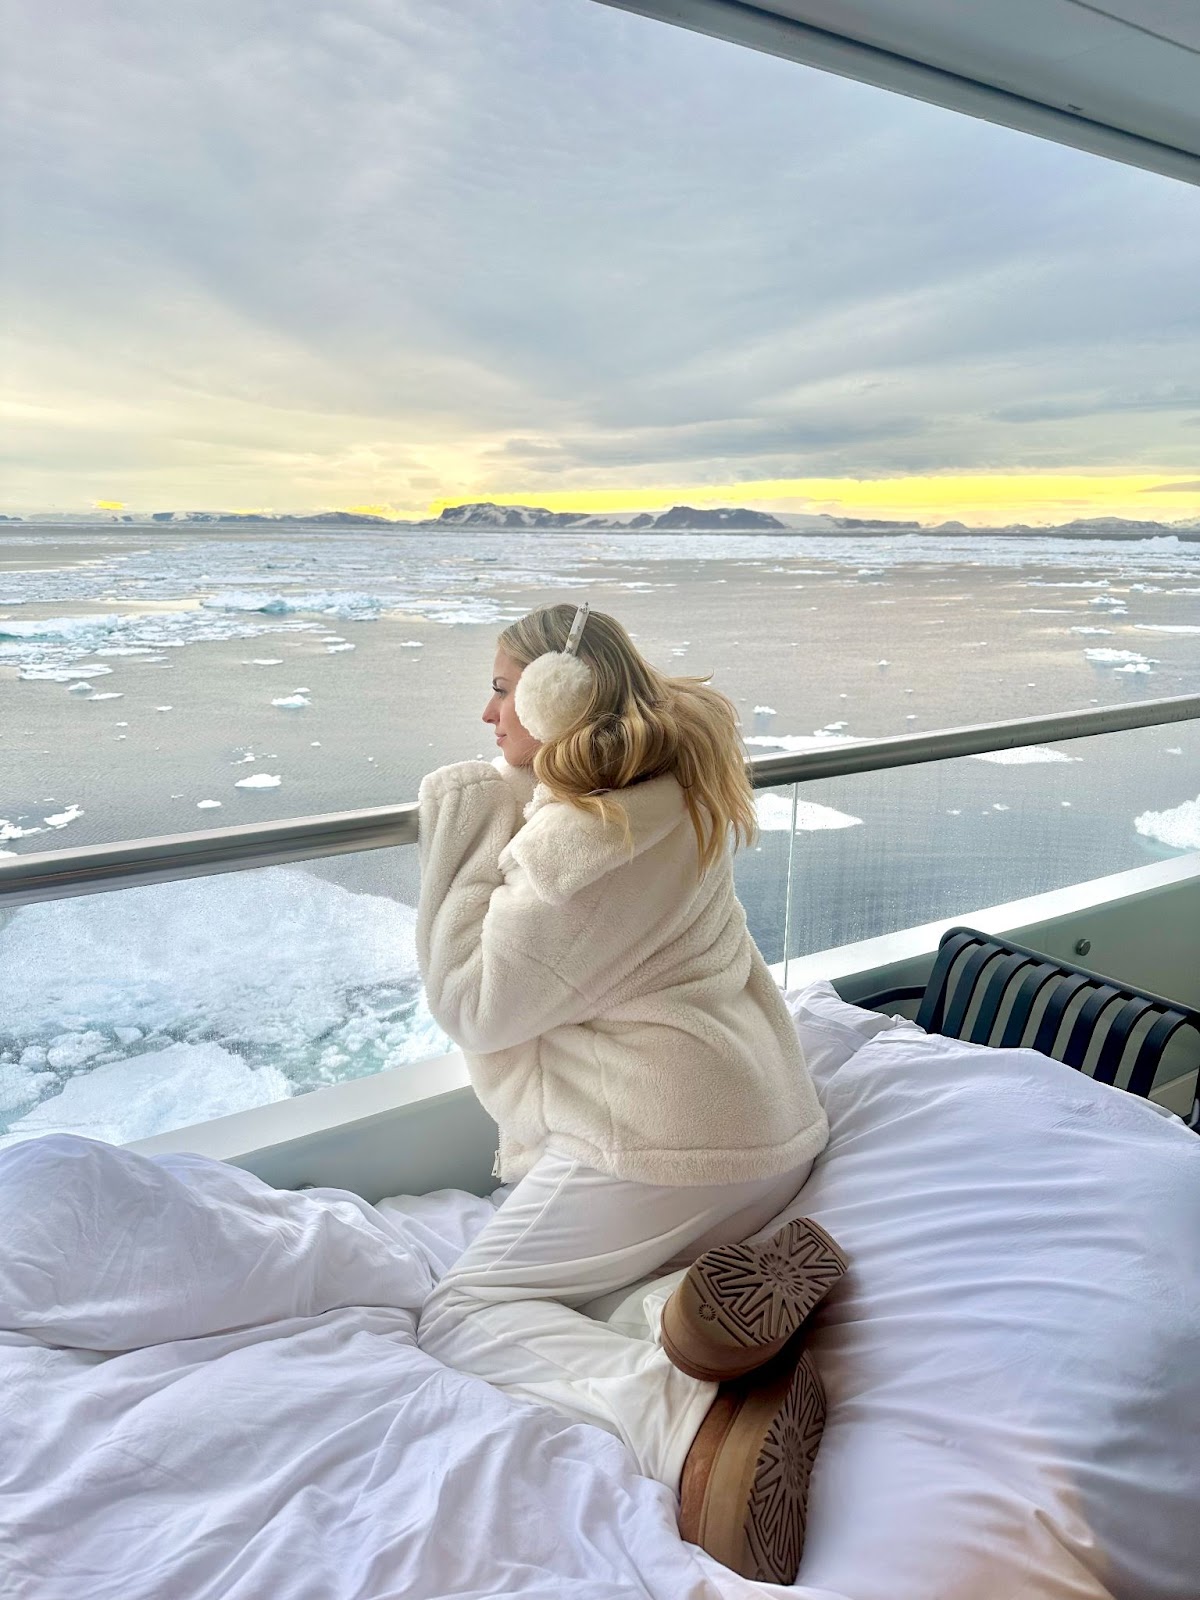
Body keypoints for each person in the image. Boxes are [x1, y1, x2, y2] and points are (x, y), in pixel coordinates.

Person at [415, 602, 845, 1583]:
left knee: (465, 1310)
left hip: (672, 1139)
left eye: (499, 689)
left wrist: (463, 818)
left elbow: (473, 1003)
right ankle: (687, 1311)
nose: (488, 719)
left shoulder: (578, 854)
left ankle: (684, 1415)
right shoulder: (667, 793)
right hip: (769, 1133)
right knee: (586, 1285)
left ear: (551, 699)